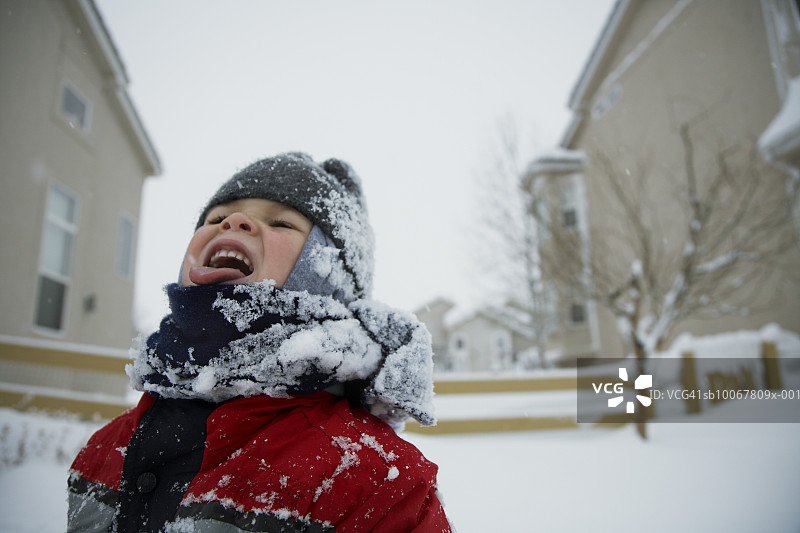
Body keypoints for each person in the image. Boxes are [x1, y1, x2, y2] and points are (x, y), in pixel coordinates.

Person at [67, 153, 452, 532]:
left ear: (328, 275)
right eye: (216, 218)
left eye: (281, 222)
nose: (234, 221)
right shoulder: (103, 448)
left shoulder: (377, 483)